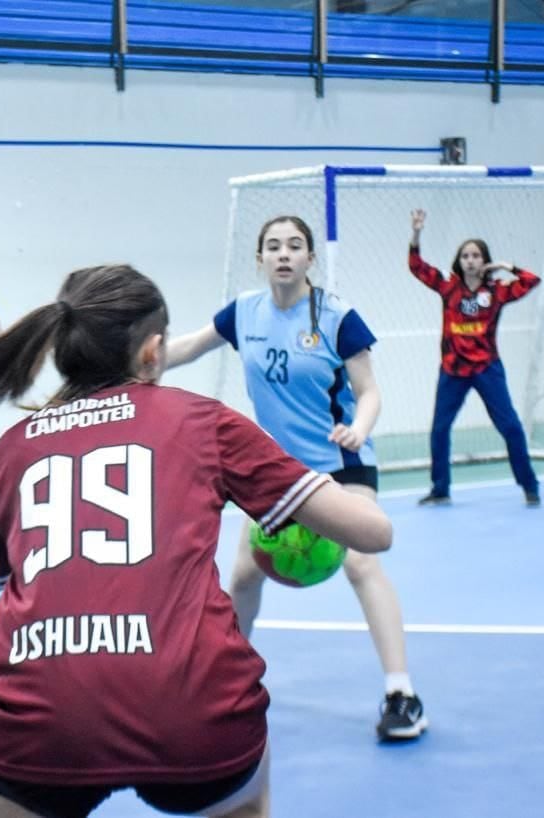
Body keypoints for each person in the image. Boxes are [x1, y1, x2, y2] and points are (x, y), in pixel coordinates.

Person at [0, 264, 394, 818]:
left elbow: (16, 589)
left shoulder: (7, 452)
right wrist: (310, 486)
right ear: (154, 351)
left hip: (43, 715)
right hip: (195, 712)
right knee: (244, 782)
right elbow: (374, 533)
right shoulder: (201, 421)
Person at [165, 215, 427, 742]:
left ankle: (403, 694)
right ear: (259, 259)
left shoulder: (337, 318)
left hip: (339, 462)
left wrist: (359, 426)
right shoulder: (244, 313)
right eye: (273, 246)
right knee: (242, 576)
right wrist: (128, 365)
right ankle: (225, 683)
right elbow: (187, 348)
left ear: (310, 258)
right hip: (273, 471)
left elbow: (369, 390)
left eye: (295, 246)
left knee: (360, 562)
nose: (283, 254)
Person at [407, 208, 542, 507]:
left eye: (476, 256)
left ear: (484, 260)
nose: (470, 260)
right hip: (452, 370)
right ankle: (440, 489)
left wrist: (507, 266)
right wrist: (416, 234)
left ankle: (530, 486)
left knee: (510, 426)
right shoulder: (447, 286)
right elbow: (416, 266)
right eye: (466, 256)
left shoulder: (497, 291)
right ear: (459, 260)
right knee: (440, 429)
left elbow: (532, 280)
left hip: (487, 369)